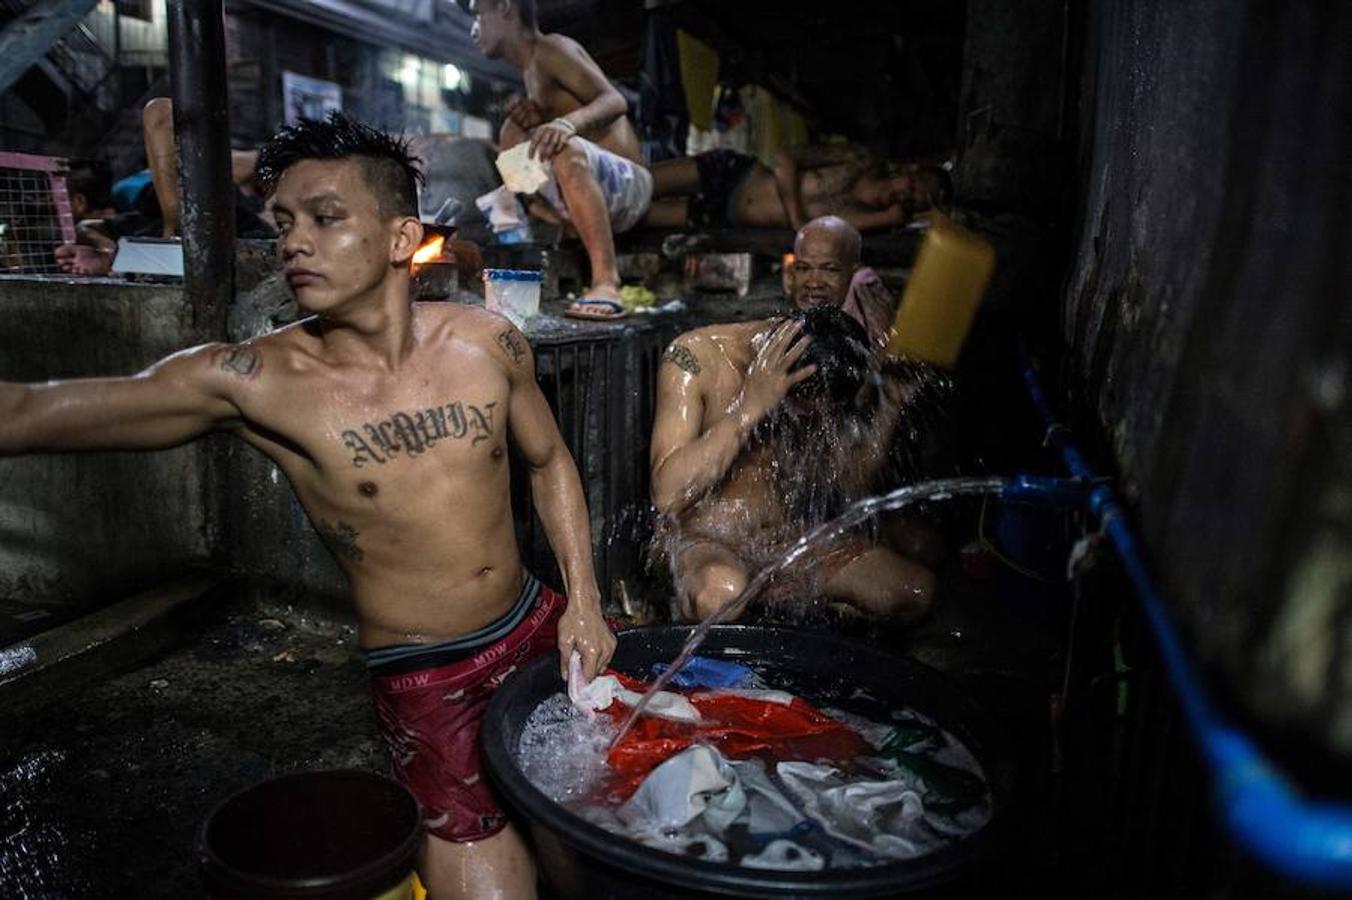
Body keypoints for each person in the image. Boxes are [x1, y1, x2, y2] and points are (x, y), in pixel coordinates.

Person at [6, 113, 615, 900]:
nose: (295, 242)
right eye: (285, 222)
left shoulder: (488, 341)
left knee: (594, 845)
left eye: (326, 219)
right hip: (425, 675)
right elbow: (29, 411)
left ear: (402, 239)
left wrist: (586, 600)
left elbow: (548, 459)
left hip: (536, 623)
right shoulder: (256, 381)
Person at [649, 216, 939, 624]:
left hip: (784, 543)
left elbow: (846, 485)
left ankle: (791, 620)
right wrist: (750, 408)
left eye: (831, 269)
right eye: (805, 267)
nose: (815, 279)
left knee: (912, 590)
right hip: (703, 542)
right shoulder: (696, 357)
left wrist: (890, 402)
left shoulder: (830, 357)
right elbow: (666, 494)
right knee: (721, 594)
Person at [470, 0, 653, 320]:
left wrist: (566, 124)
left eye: (477, 14)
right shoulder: (530, 75)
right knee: (511, 134)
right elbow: (520, 167)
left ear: (503, 7)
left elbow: (615, 100)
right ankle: (553, 232)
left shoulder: (552, 48)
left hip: (630, 186)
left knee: (565, 149)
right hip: (596, 194)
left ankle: (606, 280)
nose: (473, 29)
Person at [643, 145, 952, 234]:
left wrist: (888, 219)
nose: (905, 195)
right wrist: (796, 217)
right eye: (912, 186)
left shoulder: (868, 220)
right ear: (908, 171)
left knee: (635, 214)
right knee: (635, 182)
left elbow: (820, 232)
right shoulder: (857, 160)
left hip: (725, 215)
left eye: (913, 202)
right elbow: (784, 159)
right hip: (732, 174)